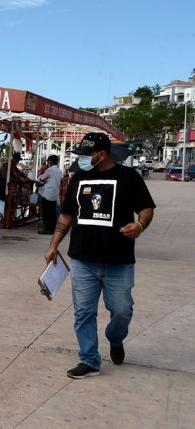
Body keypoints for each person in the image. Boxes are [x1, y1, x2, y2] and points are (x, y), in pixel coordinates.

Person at [44, 132, 155, 379]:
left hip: (119, 261)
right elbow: (66, 215)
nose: (81, 159)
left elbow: (146, 207)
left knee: (122, 310)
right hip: (83, 259)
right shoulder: (78, 178)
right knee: (83, 312)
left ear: (101, 155)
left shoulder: (128, 177)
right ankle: (90, 359)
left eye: (86, 155)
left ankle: (115, 339)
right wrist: (54, 244)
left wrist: (140, 226)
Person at [0, 152, 32, 226]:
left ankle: (9, 219)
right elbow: (8, 178)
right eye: (17, 161)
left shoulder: (12, 168)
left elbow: (20, 173)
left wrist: (27, 179)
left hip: (1, 190)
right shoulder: (3, 169)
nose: (17, 162)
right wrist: (21, 181)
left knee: (10, 202)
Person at [35, 154, 63, 234]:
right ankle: (53, 228)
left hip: (47, 193)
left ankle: (47, 228)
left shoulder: (50, 170)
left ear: (50, 161)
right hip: (55, 193)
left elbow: (41, 178)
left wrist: (41, 180)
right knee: (52, 212)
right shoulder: (59, 170)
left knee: (46, 212)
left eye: (48, 161)